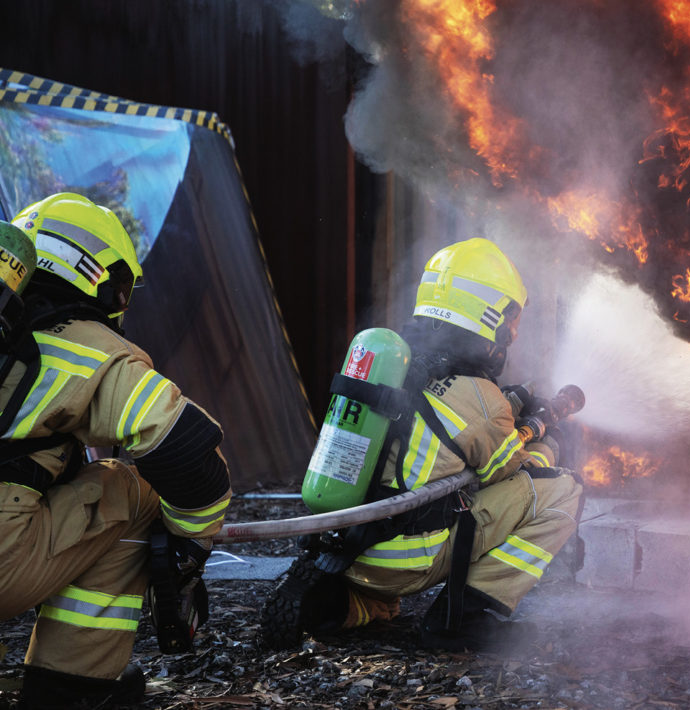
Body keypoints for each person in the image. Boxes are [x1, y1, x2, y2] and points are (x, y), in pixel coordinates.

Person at [262, 237, 583, 653]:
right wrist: (550, 440)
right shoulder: (480, 397)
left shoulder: (395, 360)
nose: (511, 331)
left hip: (343, 542)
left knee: (385, 603)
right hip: (406, 561)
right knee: (561, 489)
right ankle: (461, 622)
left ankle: (332, 604)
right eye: (511, 318)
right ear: (491, 314)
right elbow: (512, 473)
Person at [0, 193, 232, 709]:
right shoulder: (85, 347)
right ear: (93, 273)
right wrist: (192, 543)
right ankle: (71, 688)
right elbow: (184, 445)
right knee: (131, 490)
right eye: (120, 288)